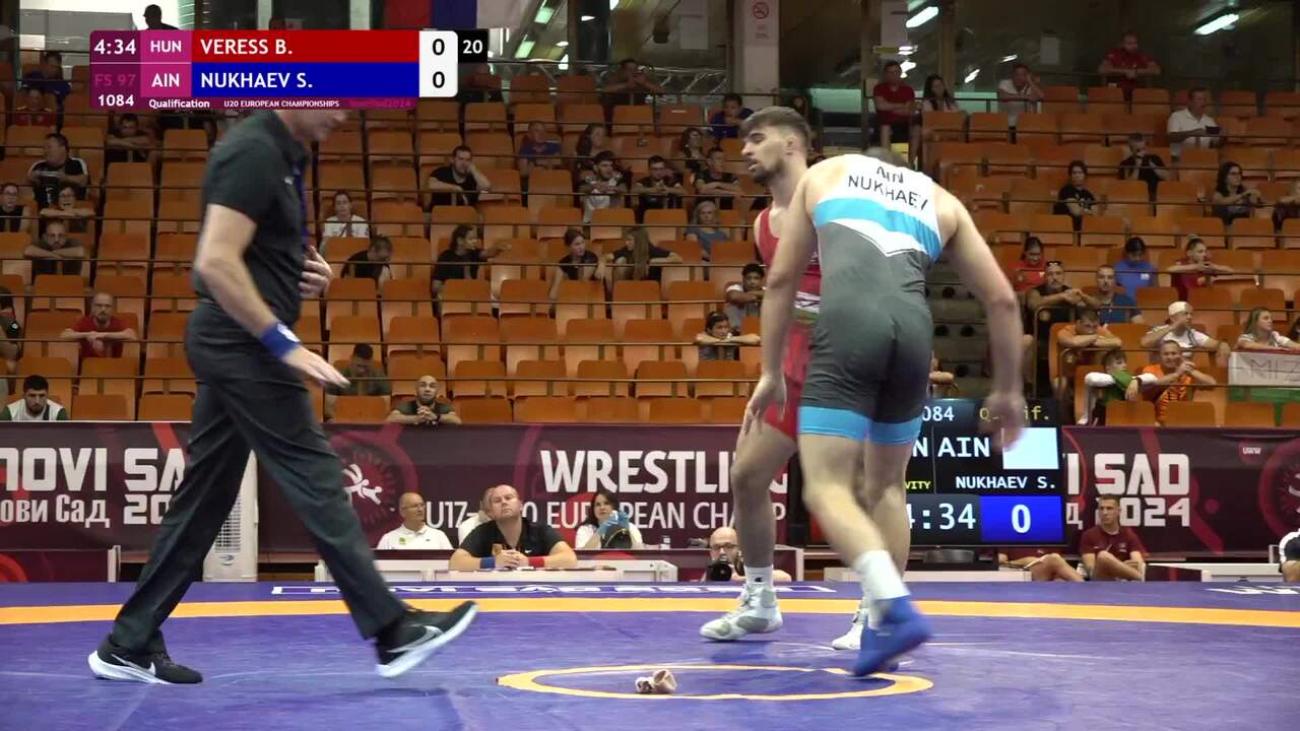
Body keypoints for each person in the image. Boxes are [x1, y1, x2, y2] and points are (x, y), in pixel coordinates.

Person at [87, 111, 477, 685]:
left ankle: (128, 640)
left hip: (240, 340)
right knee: (315, 472)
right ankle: (393, 629)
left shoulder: (289, 154)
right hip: (241, 343)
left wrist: (301, 274)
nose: (344, 112)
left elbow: (251, 255)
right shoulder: (254, 150)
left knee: (204, 501)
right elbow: (215, 261)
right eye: (334, 96)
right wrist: (281, 342)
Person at [745, 140, 1025, 675]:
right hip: (915, 335)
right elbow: (1003, 300)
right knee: (889, 488)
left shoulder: (830, 171)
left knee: (826, 486)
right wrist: (1008, 390)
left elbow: (780, 279)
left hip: (850, 324)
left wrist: (771, 370)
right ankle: (876, 622)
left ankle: (893, 607)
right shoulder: (940, 199)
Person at [449, 484, 578, 570]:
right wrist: (493, 562)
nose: (504, 502)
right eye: (497, 501)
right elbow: (455, 563)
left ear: (520, 505)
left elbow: (570, 559)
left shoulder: (540, 530)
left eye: (508, 498)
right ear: (491, 511)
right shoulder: (483, 532)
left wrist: (529, 562)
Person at [1139, 340, 1217, 424]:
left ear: (1180, 355)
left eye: (1174, 353)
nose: (1170, 357)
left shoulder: (1187, 372)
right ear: (1160, 356)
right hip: (1155, 420)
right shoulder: (1150, 370)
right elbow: (1151, 386)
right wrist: (1177, 374)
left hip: (1181, 421)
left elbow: (1212, 384)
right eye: (1166, 354)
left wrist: (1191, 371)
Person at [1079, 495, 1146, 581]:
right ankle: (1141, 579)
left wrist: (1119, 568)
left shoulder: (1128, 534)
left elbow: (1138, 564)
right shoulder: (1089, 535)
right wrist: (1119, 567)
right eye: (1101, 509)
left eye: (1109, 508)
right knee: (1103, 556)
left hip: (1124, 582)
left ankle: (1139, 579)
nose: (1104, 513)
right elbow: (1091, 570)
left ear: (1118, 511)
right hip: (1100, 581)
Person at [325, 343, 392, 420]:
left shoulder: (379, 376)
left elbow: (386, 406)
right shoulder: (336, 376)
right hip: (343, 419)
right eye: (359, 366)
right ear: (351, 359)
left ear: (371, 362)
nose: (362, 371)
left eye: (366, 367)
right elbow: (329, 407)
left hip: (371, 418)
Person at [62, 292, 137, 359]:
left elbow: (132, 335)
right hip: (88, 366)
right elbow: (64, 335)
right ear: (92, 307)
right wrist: (88, 334)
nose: (103, 309)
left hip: (114, 366)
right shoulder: (84, 322)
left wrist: (102, 335)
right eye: (99, 305)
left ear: (113, 309)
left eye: (107, 306)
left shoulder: (118, 322)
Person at [28, 133, 88, 210]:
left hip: (71, 211)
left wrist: (66, 178)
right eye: (44, 148)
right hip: (43, 211)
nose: (45, 151)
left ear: (62, 148)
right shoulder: (38, 165)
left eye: (49, 147)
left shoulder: (77, 163)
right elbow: (24, 188)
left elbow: (84, 181)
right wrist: (31, 179)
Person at [1080, 349, 1139, 425]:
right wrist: (1135, 380)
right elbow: (1091, 378)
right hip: (1103, 415)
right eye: (1119, 363)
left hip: (1122, 415)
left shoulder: (1128, 376)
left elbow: (1151, 378)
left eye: (1125, 362)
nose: (1124, 365)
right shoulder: (1102, 379)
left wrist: (1136, 381)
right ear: (1108, 368)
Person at [376, 492, 454, 550]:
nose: (420, 509)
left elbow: (451, 564)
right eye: (415, 506)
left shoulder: (439, 536)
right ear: (402, 511)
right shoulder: (388, 539)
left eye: (422, 505)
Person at [574, 488, 645, 550]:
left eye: (606, 503)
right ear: (593, 509)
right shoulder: (585, 530)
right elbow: (582, 556)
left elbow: (640, 553)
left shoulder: (631, 527)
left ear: (614, 506)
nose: (602, 507)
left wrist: (627, 531)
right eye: (598, 504)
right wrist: (599, 532)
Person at [1167, 236, 1233, 301]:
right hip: (1181, 301)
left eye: (1205, 251)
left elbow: (1230, 271)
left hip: (1201, 300)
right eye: (1200, 252)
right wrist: (1195, 266)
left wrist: (1215, 267)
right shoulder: (1181, 262)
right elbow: (1169, 269)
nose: (1204, 254)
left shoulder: (1206, 264)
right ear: (1189, 253)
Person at [1098, 32, 1160, 99]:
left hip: (1138, 92)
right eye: (1129, 43)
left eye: (1135, 43)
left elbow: (1156, 70)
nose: (1134, 46)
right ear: (1122, 44)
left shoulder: (1141, 55)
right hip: (1117, 91)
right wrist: (1125, 71)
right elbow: (1102, 69)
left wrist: (1136, 72)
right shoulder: (1115, 54)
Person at [608, 227, 681, 284]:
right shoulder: (626, 249)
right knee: (620, 261)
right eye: (626, 240)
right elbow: (608, 256)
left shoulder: (652, 250)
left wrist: (655, 261)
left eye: (629, 240)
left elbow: (677, 258)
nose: (626, 243)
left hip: (649, 288)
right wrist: (603, 261)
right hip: (629, 286)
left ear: (639, 241)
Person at [548, 228, 605, 300]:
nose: (581, 247)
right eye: (577, 244)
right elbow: (554, 291)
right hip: (572, 296)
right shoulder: (563, 263)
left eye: (583, 242)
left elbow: (582, 284)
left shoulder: (591, 258)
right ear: (568, 246)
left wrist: (601, 265)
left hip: (590, 296)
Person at [426, 146, 491, 208]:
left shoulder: (473, 177)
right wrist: (455, 188)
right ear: (452, 160)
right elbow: (430, 185)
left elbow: (486, 187)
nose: (464, 163)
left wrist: (474, 170)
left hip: (465, 213)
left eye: (467, 160)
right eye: (460, 159)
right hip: (440, 212)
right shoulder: (442, 172)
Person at [387, 374, 462, 425]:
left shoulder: (443, 407)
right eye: (423, 385)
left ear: (437, 391)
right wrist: (415, 419)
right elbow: (390, 419)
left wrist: (436, 417)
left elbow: (457, 421)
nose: (427, 389)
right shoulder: (406, 406)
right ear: (416, 389)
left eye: (432, 386)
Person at [1118, 133, 1169, 200]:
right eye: (1138, 150)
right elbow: (1129, 185)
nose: (1142, 152)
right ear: (1131, 149)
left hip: (1156, 195)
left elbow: (1167, 177)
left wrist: (1153, 166)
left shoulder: (1155, 158)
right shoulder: (1125, 163)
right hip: (1136, 196)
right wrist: (1137, 166)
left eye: (1144, 149)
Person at [0, 374, 69, 421]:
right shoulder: (10, 413)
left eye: (42, 396)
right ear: (24, 396)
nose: (37, 401)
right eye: (32, 396)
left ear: (47, 395)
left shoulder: (58, 413)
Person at [696, 311, 760, 361]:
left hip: (729, 370)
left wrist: (731, 339)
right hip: (708, 370)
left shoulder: (729, 336)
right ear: (709, 330)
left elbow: (756, 339)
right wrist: (722, 341)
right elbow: (699, 339)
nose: (724, 331)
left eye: (726, 327)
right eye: (719, 328)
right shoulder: (705, 335)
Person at [1054, 160, 1098, 231]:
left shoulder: (1088, 194)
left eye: (1080, 173)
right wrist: (1088, 211)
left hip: (1086, 229)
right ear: (1070, 175)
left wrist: (1084, 211)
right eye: (1074, 173)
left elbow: (1095, 213)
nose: (1077, 175)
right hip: (1067, 229)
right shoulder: (1066, 190)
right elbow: (1076, 212)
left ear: (1084, 175)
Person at [996, 63, 1043, 128]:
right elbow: (1002, 96)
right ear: (1012, 75)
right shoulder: (1004, 83)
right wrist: (1026, 97)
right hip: (1006, 123)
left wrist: (1030, 82)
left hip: (1026, 124)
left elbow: (1041, 96)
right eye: (1016, 74)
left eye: (1023, 75)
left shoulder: (1030, 85)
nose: (1019, 78)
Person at [724, 263, 765, 330]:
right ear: (743, 279)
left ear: (762, 280)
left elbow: (775, 295)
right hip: (737, 330)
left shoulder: (766, 290)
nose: (752, 282)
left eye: (756, 278)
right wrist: (756, 297)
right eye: (749, 278)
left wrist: (750, 293)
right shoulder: (735, 287)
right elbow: (733, 296)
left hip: (763, 330)